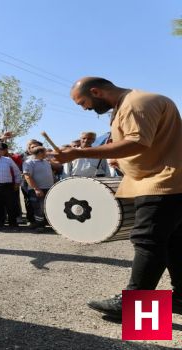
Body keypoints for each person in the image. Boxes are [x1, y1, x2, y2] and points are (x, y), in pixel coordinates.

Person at [53, 77, 182, 319]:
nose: (85, 108)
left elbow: (136, 142)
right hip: (170, 181)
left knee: (148, 243)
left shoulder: (136, 102)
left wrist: (78, 152)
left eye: (83, 103)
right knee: (173, 243)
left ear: (96, 92)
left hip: (160, 182)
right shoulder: (133, 102)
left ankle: (135, 310)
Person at [22, 146, 55, 232]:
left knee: (49, 207)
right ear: (40, 153)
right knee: (39, 208)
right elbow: (27, 176)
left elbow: (51, 175)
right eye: (45, 152)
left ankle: (48, 224)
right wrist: (36, 189)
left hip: (49, 188)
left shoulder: (46, 162)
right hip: (37, 189)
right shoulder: (29, 162)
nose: (46, 154)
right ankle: (40, 226)